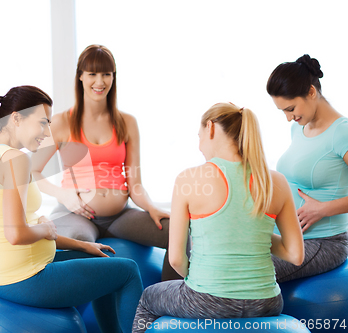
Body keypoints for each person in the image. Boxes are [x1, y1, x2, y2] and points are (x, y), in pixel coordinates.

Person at [0, 85, 143, 333]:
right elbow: (16, 234)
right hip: (23, 278)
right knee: (128, 271)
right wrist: (47, 230)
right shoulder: (15, 160)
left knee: (101, 257)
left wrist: (83, 245)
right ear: (16, 117)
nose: (47, 132)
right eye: (42, 123)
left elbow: (19, 226)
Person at [132, 103, 305, 332]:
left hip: (207, 299)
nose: (200, 146)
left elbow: (176, 259)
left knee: (147, 299)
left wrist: (198, 282)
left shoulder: (188, 179)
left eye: (199, 136)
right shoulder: (276, 181)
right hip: (266, 302)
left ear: (211, 128)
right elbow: (296, 254)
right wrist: (250, 232)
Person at [31, 44, 182, 281]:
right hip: (76, 212)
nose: (99, 81)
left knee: (178, 231)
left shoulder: (127, 122)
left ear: (113, 77)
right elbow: (34, 172)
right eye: (92, 73)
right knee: (77, 245)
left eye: (106, 74)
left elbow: (135, 183)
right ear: (80, 76)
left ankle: (167, 300)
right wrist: (65, 195)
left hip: (120, 215)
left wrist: (151, 207)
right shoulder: (61, 123)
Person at [267, 54, 348, 283]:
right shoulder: (299, 129)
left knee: (246, 269)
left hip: (323, 242)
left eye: (290, 108)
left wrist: (324, 209)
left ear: (311, 92)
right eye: (283, 111)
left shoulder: (342, 133)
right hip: (285, 237)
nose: (288, 118)